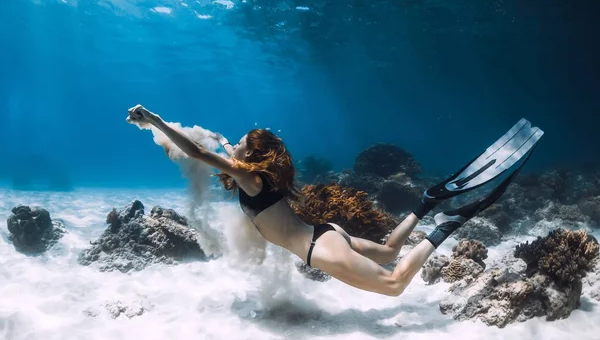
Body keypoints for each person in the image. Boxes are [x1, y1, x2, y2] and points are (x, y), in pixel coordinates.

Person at [126, 104, 543, 297]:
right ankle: (426, 202)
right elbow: (202, 144)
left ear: (250, 157)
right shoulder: (260, 172)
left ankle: (446, 223)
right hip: (325, 233)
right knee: (389, 250)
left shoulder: (250, 176)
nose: (231, 145)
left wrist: (156, 120)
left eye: (238, 146)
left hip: (317, 247)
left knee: (395, 283)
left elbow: (200, 153)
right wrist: (158, 133)